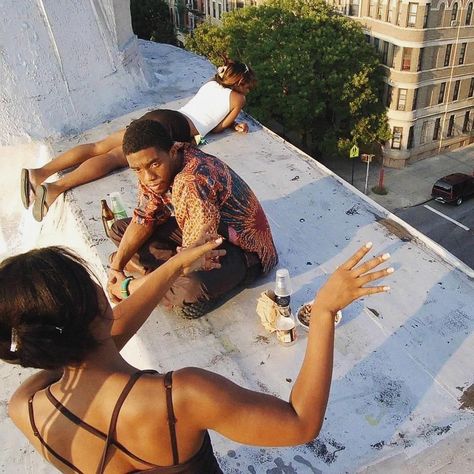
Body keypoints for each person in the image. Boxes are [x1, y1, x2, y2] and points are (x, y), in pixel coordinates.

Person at [1, 240, 392, 473]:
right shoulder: (180, 396)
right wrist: (323, 312)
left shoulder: (28, 409)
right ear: (99, 307)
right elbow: (300, 424)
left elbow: (94, 345)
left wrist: (171, 268)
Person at [20, 60, 256, 222]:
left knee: (98, 147)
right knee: (114, 158)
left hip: (164, 116)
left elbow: (208, 110)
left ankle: (40, 172)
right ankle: (54, 188)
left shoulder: (211, 84)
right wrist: (234, 124)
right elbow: (218, 126)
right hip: (176, 129)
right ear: (241, 83)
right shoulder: (238, 99)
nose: (248, 91)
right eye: (247, 86)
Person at [107, 119, 278, 318]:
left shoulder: (192, 181)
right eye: (137, 169)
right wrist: (116, 267)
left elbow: (193, 257)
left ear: (172, 152)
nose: (147, 177)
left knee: (188, 287)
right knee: (119, 229)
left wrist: (127, 287)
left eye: (154, 164)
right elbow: (145, 217)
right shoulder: (156, 170)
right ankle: (159, 280)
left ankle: (157, 280)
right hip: (199, 236)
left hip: (242, 252)